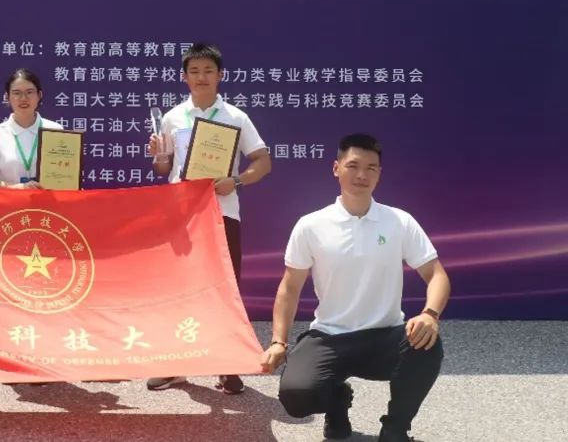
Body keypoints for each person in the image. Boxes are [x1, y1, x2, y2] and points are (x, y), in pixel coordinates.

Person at [261, 133, 450, 442]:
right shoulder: (311, 225)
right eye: (353, 166)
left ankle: (395, 430)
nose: (362, 175)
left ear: (379, 174)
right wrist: (278, 342)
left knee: (427, 344)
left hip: (385, 335)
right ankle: (337, 402)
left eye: (371, 168)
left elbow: (437, 275)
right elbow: (289, 288)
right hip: (330, 336)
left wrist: (430, 314)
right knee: (296, 395)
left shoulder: (399, 221)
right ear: (336, 168)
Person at [145, 43, 272, 393]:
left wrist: (237, 181)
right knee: (178, 289)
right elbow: (164, 168)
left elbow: (262, 161)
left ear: (220, 75)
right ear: (184, 77)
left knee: (225, 288)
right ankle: (175, 364)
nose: (201, 77)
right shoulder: (172, 117)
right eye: (194, 71)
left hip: (221, 212)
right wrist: (158, 155)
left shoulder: (235, 117)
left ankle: (227, 364)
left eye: (208, 71)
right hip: (181, 215)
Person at [0, 68, 62, 188]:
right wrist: (17, 188)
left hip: (47, 199)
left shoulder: (55, 130)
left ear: (39, 95)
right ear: (7, 97)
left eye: (29, 92)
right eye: (17, 93)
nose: (23, 98)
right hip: (10, 200)